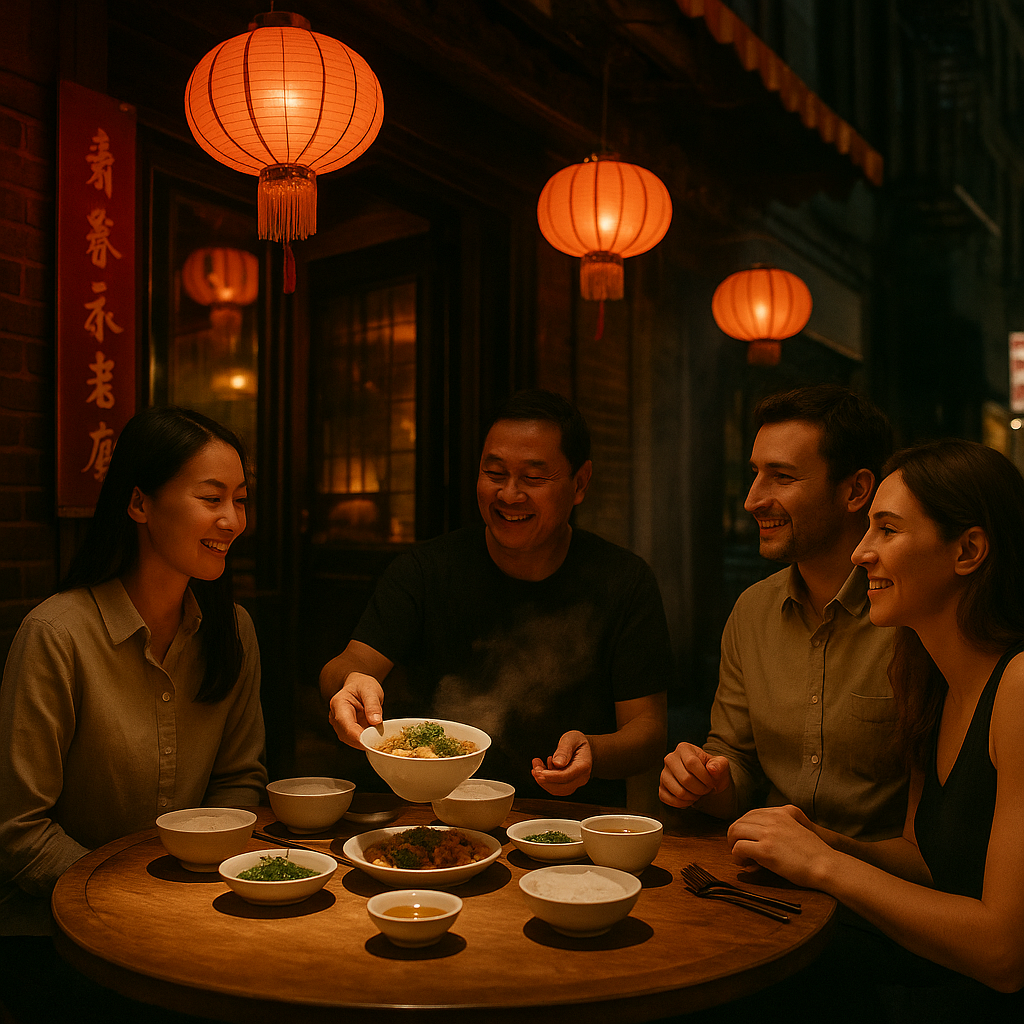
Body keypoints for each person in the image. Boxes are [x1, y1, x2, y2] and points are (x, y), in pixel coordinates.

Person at [726, 439, 1024, 1019]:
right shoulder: (928, 673)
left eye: (887, 529)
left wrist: (823, 865)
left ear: (968, 550)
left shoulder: (1017, 686)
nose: (861, 553)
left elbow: (1004, 954)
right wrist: (822, 840)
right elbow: (923, 860)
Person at [0, 406, 266, 1022]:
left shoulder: (232, 630)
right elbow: (19, 831)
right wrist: (135, 897)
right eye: (211, 498)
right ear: (140, 503)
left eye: (240, 500)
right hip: (53, 938)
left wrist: (195, 884)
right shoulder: (56, 634)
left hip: (189, 918)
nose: (232, 520)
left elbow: (239, 780)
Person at [320, 388, 672, 806]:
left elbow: (648, 730)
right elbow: (348, 664)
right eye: (494, 473)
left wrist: (595, 751)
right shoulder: (424, 571)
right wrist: (350, 683)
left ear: (580, 483)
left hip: (565, 820)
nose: (508, 494)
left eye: (533, 478)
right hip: (433, 812)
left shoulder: (623, 581)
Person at [660, 384, 907, 839]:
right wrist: (703, 780)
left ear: (856, 490)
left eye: (782, 477)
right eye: (755, 473)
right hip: (765, 865)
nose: (752, 500)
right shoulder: (753, 610)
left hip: (878, 880)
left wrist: (816, 856)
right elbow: (736, 761)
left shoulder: (911, 616)